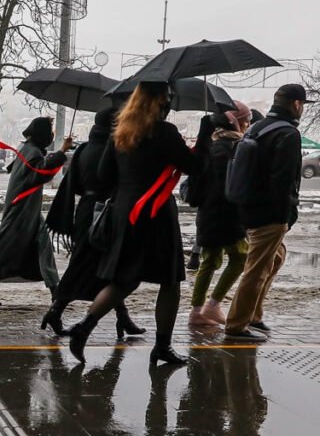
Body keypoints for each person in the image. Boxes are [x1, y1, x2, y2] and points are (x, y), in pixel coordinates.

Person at [67, 82, 212, 366]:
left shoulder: (120, 132)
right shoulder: (165, 132)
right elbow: (195, 168)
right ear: (158, 101)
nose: (169, 102)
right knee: (169, 282)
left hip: (125, 211)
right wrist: (205, 137)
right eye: (168, 98)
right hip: (156, 212)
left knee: (124, 279)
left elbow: (103, 175)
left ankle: (84, 327)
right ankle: (162, 347)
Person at [43, 108, 144, 339]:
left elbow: (75, 184)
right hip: (106, 213)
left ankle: (123, 318)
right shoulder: (115, 148)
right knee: (97, 266)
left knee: (103, 267)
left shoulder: (84, 149)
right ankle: (56, 311)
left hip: (85, 211)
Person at [224, 84, 309, 342]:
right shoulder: (288, 134)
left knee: (276, 258)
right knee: (257, 268)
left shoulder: (257, 128)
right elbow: (283, 180)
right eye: (303, 105)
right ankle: (237, 325)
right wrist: (286, 215)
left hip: (248, 207)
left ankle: (254, 314)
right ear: (296, 104)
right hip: (270, 213)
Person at [0, 117, 72, 306]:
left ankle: (56, 292)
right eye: (49, 133)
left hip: (27, 209)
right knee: (5, 248)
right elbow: (41, 172)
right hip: (22, 211)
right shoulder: (32, 152)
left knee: (41, 246)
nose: (51, 137)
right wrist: (63, 151)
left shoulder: (29, 149)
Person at [189, 101, 251, 327]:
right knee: (240, 257)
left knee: (210, 260)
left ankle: (197, 311)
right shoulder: (231, 148)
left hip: (208, 215)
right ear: (238, 122)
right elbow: (233, 185)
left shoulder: (211, 147)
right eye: (247, 120)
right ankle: (212, 305)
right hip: (226, 215)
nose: (248, 124)